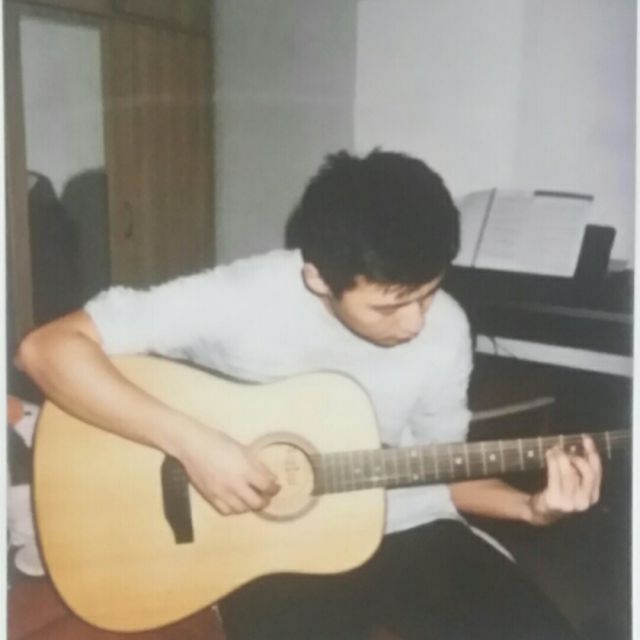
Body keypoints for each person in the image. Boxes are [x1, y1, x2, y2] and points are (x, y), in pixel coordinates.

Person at [18, 150, 601, 640]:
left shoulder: (445, 327)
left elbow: (442, 469)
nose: (416, 323)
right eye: (391, 305)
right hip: (268, 550)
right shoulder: (244, 296)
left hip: (410, 528)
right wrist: (194, 445)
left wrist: (532, 509)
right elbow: (45, 350)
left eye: (428, 293)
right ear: (319, 277)